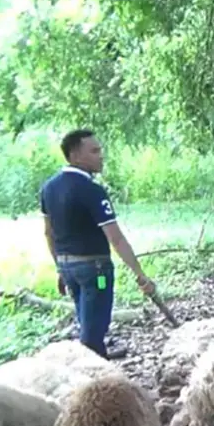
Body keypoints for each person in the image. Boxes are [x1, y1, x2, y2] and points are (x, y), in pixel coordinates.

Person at [40, 129, 156, 359]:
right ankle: (94, 374)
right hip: (96, 271)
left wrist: (60, 268)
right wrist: (141, 274)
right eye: (94, 151)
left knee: (86, 319)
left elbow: (48, 233)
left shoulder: (48, 187)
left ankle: (98, 354)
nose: (100, 155)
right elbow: (116, 237)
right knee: (94, 329)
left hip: (68, 267)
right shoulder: (92, 190)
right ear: (75, 155)